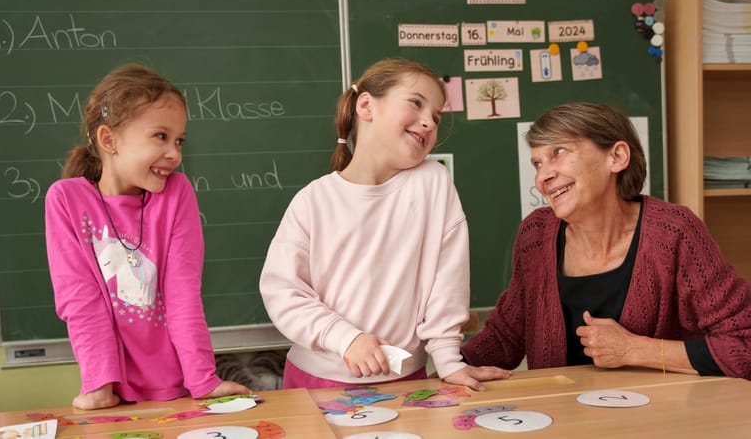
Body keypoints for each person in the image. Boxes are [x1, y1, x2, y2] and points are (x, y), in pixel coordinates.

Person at [259, 58, 511, 390]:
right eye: (416, 104)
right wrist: (346, 339)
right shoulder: (314, 200)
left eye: (436, 117)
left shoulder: (433, 182)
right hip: (316, 380)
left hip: (405, 381)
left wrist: (449, 361)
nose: (428, 122)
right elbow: (283, 292)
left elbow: (447, 283)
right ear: (366, 106)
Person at [461, 102, 751, 380]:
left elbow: (744, 345)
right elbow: (505, 337)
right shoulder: (535, 234)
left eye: (558, 152)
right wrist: (441, 375)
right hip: (559, 421)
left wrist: (633, 349)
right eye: (537, 163)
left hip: (654, 423)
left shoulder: (675, 232)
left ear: (617, 157)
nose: (542, 177)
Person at [45, 63, 251, 410]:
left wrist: (202, 379)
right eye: (161, 136)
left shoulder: (176, 193)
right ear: (109, 140)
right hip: (111, 393)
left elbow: (183, 294)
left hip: (178, 389)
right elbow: (80, 299)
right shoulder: (66, 200)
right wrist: (99, 384)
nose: (175, 153)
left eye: (179, 140)